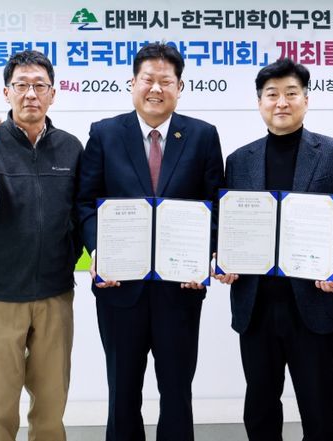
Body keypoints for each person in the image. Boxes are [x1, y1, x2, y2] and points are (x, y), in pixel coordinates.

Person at [77, 42, 224, 441]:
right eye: (148, 79)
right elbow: (86, 202)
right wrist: (99, 251)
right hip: (119, 287)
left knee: (177, 392)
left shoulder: (202, 136)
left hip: (180, 289)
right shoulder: (105, 134)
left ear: (180, 87)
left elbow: (216, 205)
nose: (156, 88)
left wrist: (204, 256)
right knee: (122, 392)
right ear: (133, 83)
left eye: (166, 81)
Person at [216, 58, 333, 440]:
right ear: (259, 102)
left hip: (313, 303)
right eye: (272, 94)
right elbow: (226, 222)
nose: (281, 102)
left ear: (306, 99)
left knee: (318, 409)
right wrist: (222, 257)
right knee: (260, 407)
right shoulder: (239, 160)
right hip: (256, 304)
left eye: (291, 93)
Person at [0, 50, 83, 440]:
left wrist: (71, 257)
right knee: (1, 404)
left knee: (51, 404)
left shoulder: (70, 147)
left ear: (53, 93)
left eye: (39, 85)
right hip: (0, 296)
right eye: (22, 85)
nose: (31, 94)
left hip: (55, 294)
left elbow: (81, 213)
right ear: (6, 92)